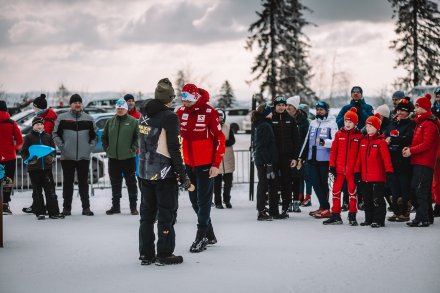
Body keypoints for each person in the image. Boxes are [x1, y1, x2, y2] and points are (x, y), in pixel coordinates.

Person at [138, 78, 187, 266]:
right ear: (168, 98)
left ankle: (146, 254)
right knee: (167, 214)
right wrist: (182, 174)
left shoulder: (144, 111)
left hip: (144, 170)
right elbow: (174, 148)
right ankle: (164, 253)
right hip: (163, 173)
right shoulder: (169, 117)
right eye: (173, 97)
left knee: (147, 215)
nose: (174, 100)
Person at [176, 83, 225, 253]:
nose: (186, 104)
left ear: (196, 97)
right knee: (194, 201)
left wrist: (215, 164)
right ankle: (210, 234)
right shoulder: (180, 112)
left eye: (189, 100)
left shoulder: (210, 112)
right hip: (189, 165)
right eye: (184, 100)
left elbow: (220, 139)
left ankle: (201, 236)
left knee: (204, 202)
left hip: (206, 165)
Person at [53, 94, 97, 216]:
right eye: (75, 102)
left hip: (84, 156)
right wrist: (62, 147)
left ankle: (86, 208)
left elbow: (94, 136)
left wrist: (89, 148)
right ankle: (66, 208)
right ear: (70, 104)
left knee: (83, 182)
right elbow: (55, 134)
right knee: (68, 183)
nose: (77, 104)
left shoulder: (89, 118)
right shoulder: (62, 118)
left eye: (79, 102)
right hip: (67, 157)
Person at [403, 97, 440, 227]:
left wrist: (411, 151)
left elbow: (427, 144)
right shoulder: (421, 122)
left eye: (418, 106)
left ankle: (421, 219)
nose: (416, 109)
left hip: (425, 163)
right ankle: (426, 217)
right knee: (420, 190)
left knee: (419, 191)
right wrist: (409, 148)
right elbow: (419, 142)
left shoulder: (429, 124)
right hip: (419, 161)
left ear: (425, 108)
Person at [299, 101, 338, 219]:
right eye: (317, 109)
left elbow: (336, 142)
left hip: (324, 160)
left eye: (321, 109)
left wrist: (324, 142)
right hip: (312, 159)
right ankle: (323, 206)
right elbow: (306, 141)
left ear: (326, 110)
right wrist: (301, 157)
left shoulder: (332, 123)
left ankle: (325, 208)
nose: (319, 111)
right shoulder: (313, 123)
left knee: (323, 184)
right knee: (315, 183)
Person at [324, 107, 362, 225]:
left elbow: (360, 156)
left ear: (355, 123)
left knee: (352, 192)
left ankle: (352, 215)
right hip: (339, 170)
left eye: (350, 122)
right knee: (335, 191)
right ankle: (336, 215)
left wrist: (357, 170)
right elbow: (333, 152)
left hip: (352, 171)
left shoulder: (359, 136)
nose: (348, 124)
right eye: (346, 121)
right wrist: (332, 166)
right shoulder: (339, 134)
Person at [20, 117, 64, 220]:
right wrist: (28, 160)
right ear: (33, 126)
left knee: (50, 191)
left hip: (47, 169)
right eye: (37, 124)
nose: (39, 126)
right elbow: (23, 152)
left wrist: (51, 157)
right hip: (34, 169)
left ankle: (54, 212)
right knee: (37, 191)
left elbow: (52, 150)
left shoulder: (48, 136)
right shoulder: (28, 137)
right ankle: (40, 212)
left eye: (41, 124)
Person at [355, 114, 394, 228]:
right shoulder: (363, 141)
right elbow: (359, 159)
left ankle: (379, 220)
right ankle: (369, 219)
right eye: (367, 127)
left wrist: (389, 172)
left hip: (378, 177)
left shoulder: (381, 142)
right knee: (367, 199)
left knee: (377, 199)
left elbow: (386, 159)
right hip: (365, 177)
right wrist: (357, 172)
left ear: (377, 128)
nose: (368, 129)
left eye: (371, 127)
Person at [22, 93, 58, 214]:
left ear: (38, 107)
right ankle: (38, 207)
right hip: (37, 163)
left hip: (44, 161)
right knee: (38, 188)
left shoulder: (46, 119)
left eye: (34, 106)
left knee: (48, 188)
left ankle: (50, 207)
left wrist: (50, 155)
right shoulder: (41, 116)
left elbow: (45, 140)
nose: (33, 108)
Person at [102, 99, 139, 215]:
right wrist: (107, 148)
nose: (120, 110)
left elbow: (138, 138)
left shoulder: (133, 121)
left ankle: (133, 207)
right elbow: (104, 137)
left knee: (131, 183)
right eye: (118, 108)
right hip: (113, 158)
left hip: (128, 158)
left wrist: (133, 148)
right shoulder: (110, 122)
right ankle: (115, 206)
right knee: (115, 183)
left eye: (122, 108)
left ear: (126, 109)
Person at [384, 98, 415, 222]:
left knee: (404, 187)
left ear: (408, 112)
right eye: (399, 110)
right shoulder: (392, 122)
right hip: (392, 159)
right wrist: (387, 139)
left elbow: (408, 139)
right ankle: (397, 211)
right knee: (394, 187)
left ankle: (405, 212)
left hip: (404, 161)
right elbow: (385, 134)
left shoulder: (410, 124)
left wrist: (392, 140)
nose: (401, 112)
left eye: (404, 110)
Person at [271, 96, 300, 218]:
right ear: (275, 106)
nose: (281, 107)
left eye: (283, 105)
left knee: (287, 182)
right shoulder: (270, 118)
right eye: (279, 105)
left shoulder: (291, 119)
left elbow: (296, 139)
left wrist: (295, 157)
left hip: (287, 157)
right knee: (273, 183)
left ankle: (285, 207)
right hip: (273, 157)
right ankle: (273, 208)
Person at [252, 104, 278, 221]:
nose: (272, 113)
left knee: (263, 184)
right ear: (266, 113)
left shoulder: (262, 124)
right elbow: (262, 147)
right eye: (270, 111)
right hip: (263, 160)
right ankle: (261, 211)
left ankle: (261, 208)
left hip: (262, 159)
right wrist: (268, 162)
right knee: (263, 185)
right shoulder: (264, 126)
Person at [286, 96, 309, 212]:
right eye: (287, 105)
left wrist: (302, 156)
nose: (288, 107)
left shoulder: (303, 121)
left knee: (296, 179)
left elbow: (306, 139)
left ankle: (296, 202)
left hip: (298, 154)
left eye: (290, 105)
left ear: (295, 107)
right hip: (286, 154)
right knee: (286, 179)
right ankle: (287, 202)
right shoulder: (283, 118)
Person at [0, 100, 24, 215]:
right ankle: (4, 205)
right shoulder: (12, 123)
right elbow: (20, 141)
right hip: (9, 156)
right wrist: (15, 149)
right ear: (6, 109)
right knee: (8, 180)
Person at [213, 108, 235, 209]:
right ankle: (218, 202)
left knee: (228, 183)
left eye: (221, 116)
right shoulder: (211, 127)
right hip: (216, 159)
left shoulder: (228, 127)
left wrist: (222, 143)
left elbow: (232, 140)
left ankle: (227, 200)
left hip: (228, 158)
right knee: (216, 183)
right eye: (218, 116)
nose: (220, 118)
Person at [433, 87, 440, 217]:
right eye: (437, 94)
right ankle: (438, 204)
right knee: (436, 179)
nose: (438, 96)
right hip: (435, 149)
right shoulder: (432, 110)